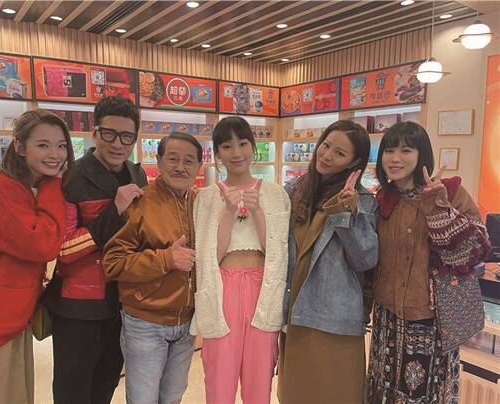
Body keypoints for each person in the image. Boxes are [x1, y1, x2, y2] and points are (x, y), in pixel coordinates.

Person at [0, 109, 74, 404]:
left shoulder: (26, 187)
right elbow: (42, 243)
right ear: (19, 146)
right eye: (43, 145)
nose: (55, 154)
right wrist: (53, 184)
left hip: (10, 319)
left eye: (61, 145)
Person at [366, 122, 491, 404]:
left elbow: (475, 252)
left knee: (426, 395)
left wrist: (437, 208)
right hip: (387, 316)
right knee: (382, 391)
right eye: (389, 151)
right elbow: (373, 262)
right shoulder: (384, 199)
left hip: (433, 319)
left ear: (422, 154)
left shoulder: (451, 191)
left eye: (406, 150)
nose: (395, 158)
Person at [42, 96, 147, 404]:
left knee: (105, 385)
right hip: (78, 306)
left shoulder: (137, 175)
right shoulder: (71, 178)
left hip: (123, 302)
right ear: (95, 132)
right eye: (109, 134)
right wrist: (114, 209)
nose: (117, 144)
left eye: (126, 137)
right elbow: (63, 248)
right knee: (72, 392)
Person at [191, 116, 290, 404]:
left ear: (253, 147)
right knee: (219, 381)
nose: (236, 153)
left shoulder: (275, 194)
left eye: (243, 143)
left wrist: (257, 212)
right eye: (227, 146)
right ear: (217, 153)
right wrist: (227, 212)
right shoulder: (206, 197)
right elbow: (209, 257)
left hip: (263, 289)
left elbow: (277, 252)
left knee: (259, 383)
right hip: (222, 288)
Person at [277, 120, 378, 404]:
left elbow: (365, 259)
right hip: (295, 315)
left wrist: (346, 210)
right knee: (294, 396)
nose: (327, 155)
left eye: (339, 153)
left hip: (335, 323)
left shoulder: (363, 201)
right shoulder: (294, 190)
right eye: (326, 145)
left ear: (354, 162)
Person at [103, 132, 203, 404]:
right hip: (145, 324)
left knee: (172, 397)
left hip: (187, 325)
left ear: (199, 167)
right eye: (172, 159)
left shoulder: (201, 204)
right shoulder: (140, 202)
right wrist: (166, 259)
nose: (180, 167)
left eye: (189, 161)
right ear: (158, 162)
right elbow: (113, 262)